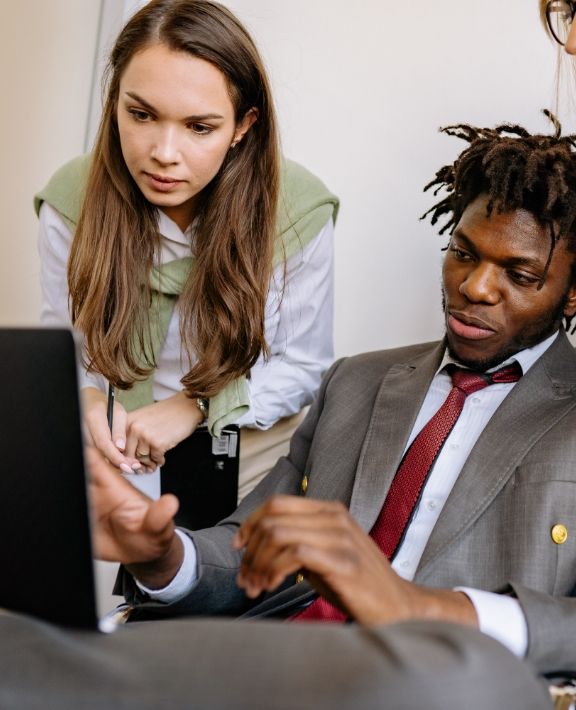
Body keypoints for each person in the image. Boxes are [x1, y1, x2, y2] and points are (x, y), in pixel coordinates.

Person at [84, 114, 576, 684]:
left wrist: (427, 608)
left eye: (519, 274)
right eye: (464, 254)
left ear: (570, 295)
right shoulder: (357, 382)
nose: (475, 288)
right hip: (275, 667)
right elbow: (251, 549)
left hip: (436, 686)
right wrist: (165, 557)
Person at [35, 0, 338, 501]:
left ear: (243, 125)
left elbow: (302, 367)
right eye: (141, 114)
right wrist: (86, 397)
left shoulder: (296, 212)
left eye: (199, 127)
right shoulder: (72, 199)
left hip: (245, 455)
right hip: (114, 450)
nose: (164, 153)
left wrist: (195, 406)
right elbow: (67, 340)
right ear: (115, 102)